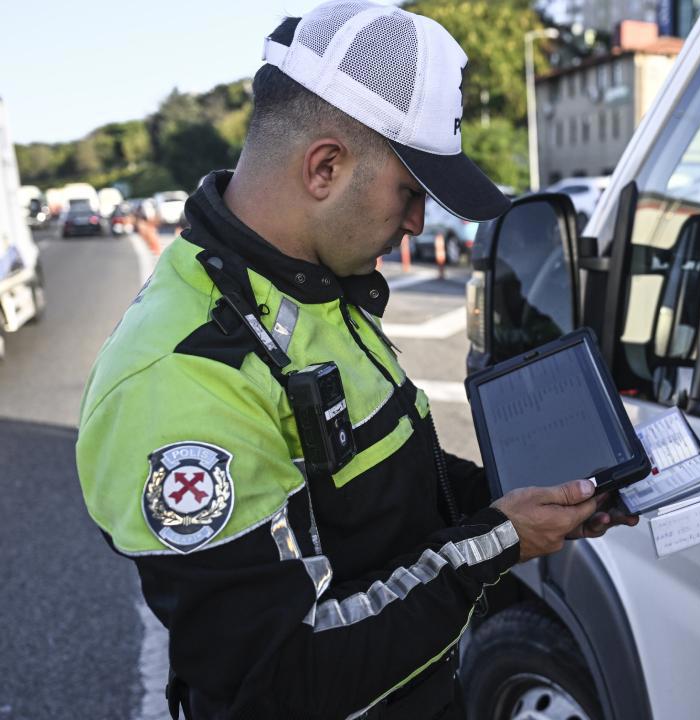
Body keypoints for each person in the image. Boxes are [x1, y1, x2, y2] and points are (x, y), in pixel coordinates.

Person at [76, 4, 636, 718]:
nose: (417, 225)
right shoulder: (177, 379)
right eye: (410, 192)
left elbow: (391, 497)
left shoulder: (307, 286)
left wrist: (538, 493)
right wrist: (498, 539)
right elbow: (276, 681)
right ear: (325, 167)